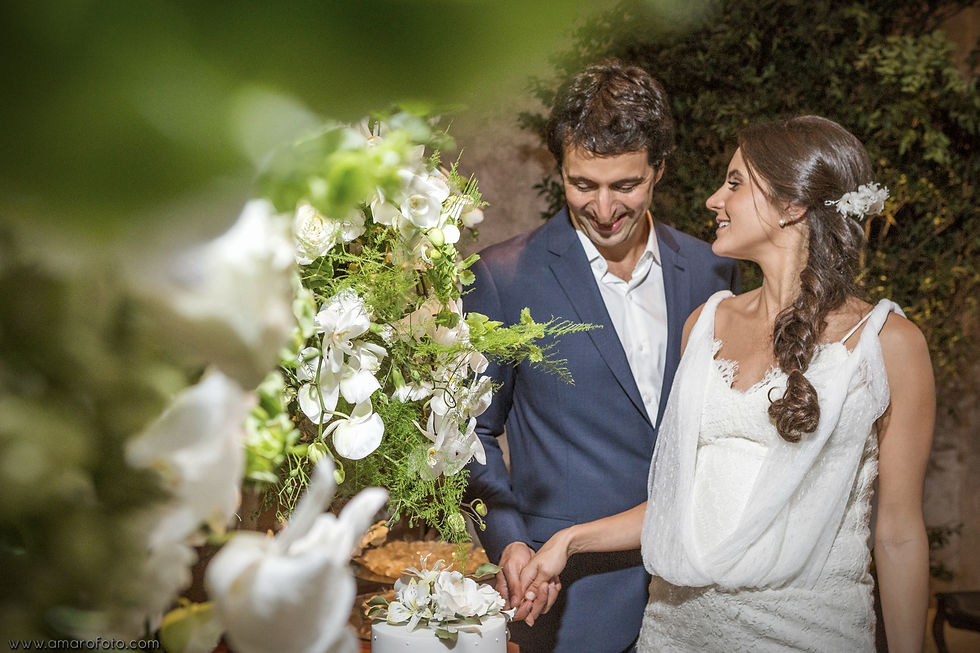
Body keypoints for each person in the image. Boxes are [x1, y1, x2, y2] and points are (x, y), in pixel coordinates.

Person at [516, 115, 935, 652]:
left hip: (808, 635)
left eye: (735, 183)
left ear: (793, 205)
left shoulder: (890, 343)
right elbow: (682, 503)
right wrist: (569, 542)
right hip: (675, 632)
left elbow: (898, 535)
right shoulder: (706, 323)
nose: (715, 200)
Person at [461, 60, 740, 652]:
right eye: (583, 184)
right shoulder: (504, 277)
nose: (605, 208)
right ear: (559, 169)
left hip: (701, 592)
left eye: (626, 185)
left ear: (658, 170)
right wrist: (510, 541)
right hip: (569, 597)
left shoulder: (714, 269)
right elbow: (470, 433)